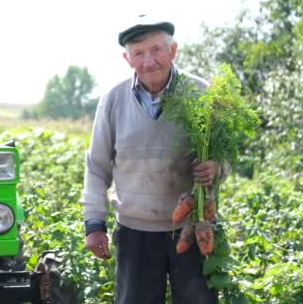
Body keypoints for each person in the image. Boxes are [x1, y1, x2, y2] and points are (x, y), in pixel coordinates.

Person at [81, 15, 226, 304]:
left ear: (173, 50)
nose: (149, 61)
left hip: (194, 227)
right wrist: (94, 224)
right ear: (127, 58)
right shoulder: (113, 100)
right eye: (139, 53)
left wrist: (217, 169)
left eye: (157, 50)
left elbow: (223, 156)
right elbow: (97, 167)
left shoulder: (201, 94)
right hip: (136, 233)